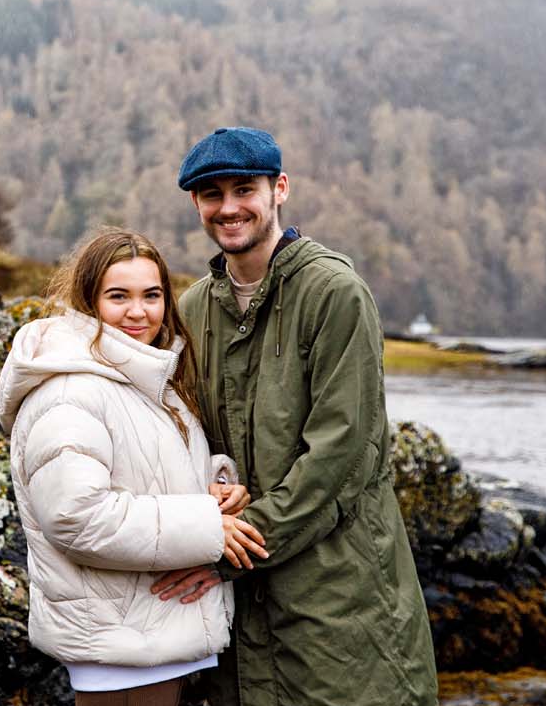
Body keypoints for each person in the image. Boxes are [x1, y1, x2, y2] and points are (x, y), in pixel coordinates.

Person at [154, 127, 436, 705]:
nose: (229, 207)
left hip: (337, 596)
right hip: (238, 614)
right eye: (212, 194)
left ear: (279, 188)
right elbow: (187, 437)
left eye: (244, 189)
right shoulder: (192, 308)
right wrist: (213, 493)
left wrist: (234, 545)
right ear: (196, 204)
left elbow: (342, 454)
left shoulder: (334, 293)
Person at [0, 228, 268, 706]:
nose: (138, 312)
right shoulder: (70, 391)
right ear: (88, 300)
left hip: (148, 630)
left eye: (152, 295)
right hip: (119, 643)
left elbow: (145, 467)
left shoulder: (137, 374)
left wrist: (218, 489)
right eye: (118, 296)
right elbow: (76, 517)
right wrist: (208, 527)